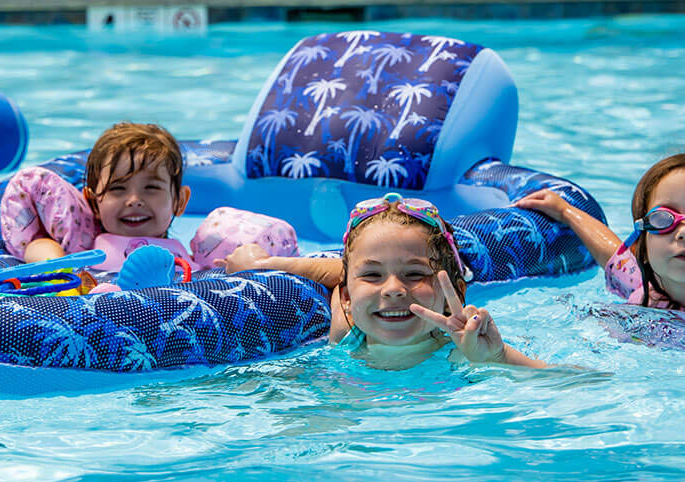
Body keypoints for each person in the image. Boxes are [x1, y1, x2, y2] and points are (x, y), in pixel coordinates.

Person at [224, 192, 546, 369]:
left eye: (415, 274)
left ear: (456, 292)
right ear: (347, 295)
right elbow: (333, 269)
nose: (393, 289)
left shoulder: (462, 351)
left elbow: (576, 383)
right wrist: (262, 264)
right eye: (373, 275)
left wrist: (498, 357)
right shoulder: (349, 327)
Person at [0, 122, 298, 271]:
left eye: (151, 188)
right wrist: (57, 267)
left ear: (180, 201)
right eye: (118, 189)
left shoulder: (194, 262)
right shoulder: (82, 251)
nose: (134, 199)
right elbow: (38, 245)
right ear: (93, 201)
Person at [517, 152, 685, 310]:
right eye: (663, 219)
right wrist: (565, 211)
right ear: (640, 245)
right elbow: (610, 252)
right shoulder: (642, 286)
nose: (683, 232)